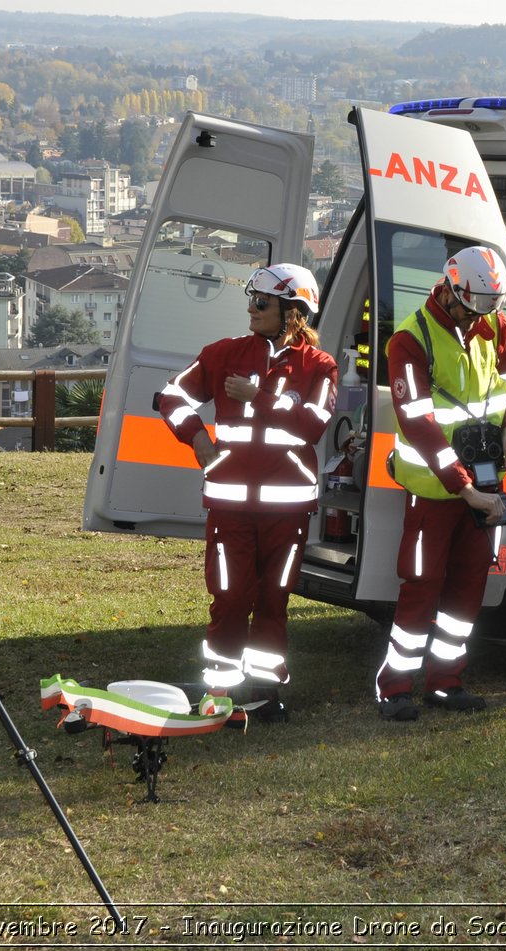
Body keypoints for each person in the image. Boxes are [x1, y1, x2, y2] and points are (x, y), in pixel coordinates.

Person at [157, 263, 337, 721]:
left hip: (289, 506)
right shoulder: (224, 354)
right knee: (232, 596)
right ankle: (219, 690)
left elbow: (314, 425)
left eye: (262, 303)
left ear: (293, 312)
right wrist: (197, 438)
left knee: (274, 600)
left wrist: (258, 396)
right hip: (231, 504)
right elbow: (171, 397)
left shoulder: (319, 366)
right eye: (251, 301)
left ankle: (265, 694)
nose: (252, 310)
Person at [375, 245, 506, 720]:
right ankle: (395, 686)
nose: (480, 317)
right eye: (475, 306)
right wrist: (465, 487)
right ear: (450, 289)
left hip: (482, 484)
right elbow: (419, 425)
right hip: (435, 490)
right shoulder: (409, 339)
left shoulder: (491, 321)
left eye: (490, 308)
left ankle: (446, 682)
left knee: (468, 589)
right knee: (422, 586)